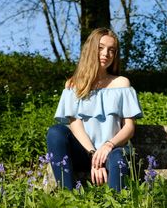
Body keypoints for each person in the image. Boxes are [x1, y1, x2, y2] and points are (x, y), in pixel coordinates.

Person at [46, 27, 143, 191]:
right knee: (56, 131)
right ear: (91, 49)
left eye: (111, 50)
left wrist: (108, 145)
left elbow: (129, 128)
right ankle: (69, 199)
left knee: (118, 157)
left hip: (113, 151)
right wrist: (93, 155)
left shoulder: (121, 84)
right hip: (85, 152)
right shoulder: (73, 85)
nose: (106, 53)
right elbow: (75, 125)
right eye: (101, 48)